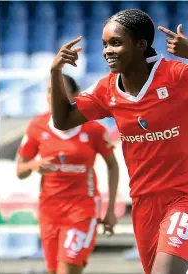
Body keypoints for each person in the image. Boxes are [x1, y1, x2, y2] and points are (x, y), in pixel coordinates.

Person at [50, 9, 188, 274]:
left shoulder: (177, 76)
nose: (107, 50)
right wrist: (55, 71)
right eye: (105, 44)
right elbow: (63, 121)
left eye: (116, 43)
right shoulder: (106, 90)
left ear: (141, 45)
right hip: (144, 200)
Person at [16, 74, 119, 274]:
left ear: (75, 95)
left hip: (82, 210)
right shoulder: (37, 126)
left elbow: (112, 166)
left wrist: (111, 210)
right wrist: (34, 165)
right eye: (49, 90)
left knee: (68, 270)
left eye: (60, 90)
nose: (53, 95)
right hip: (49, 212)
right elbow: (20, 171)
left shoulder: (93, 128)